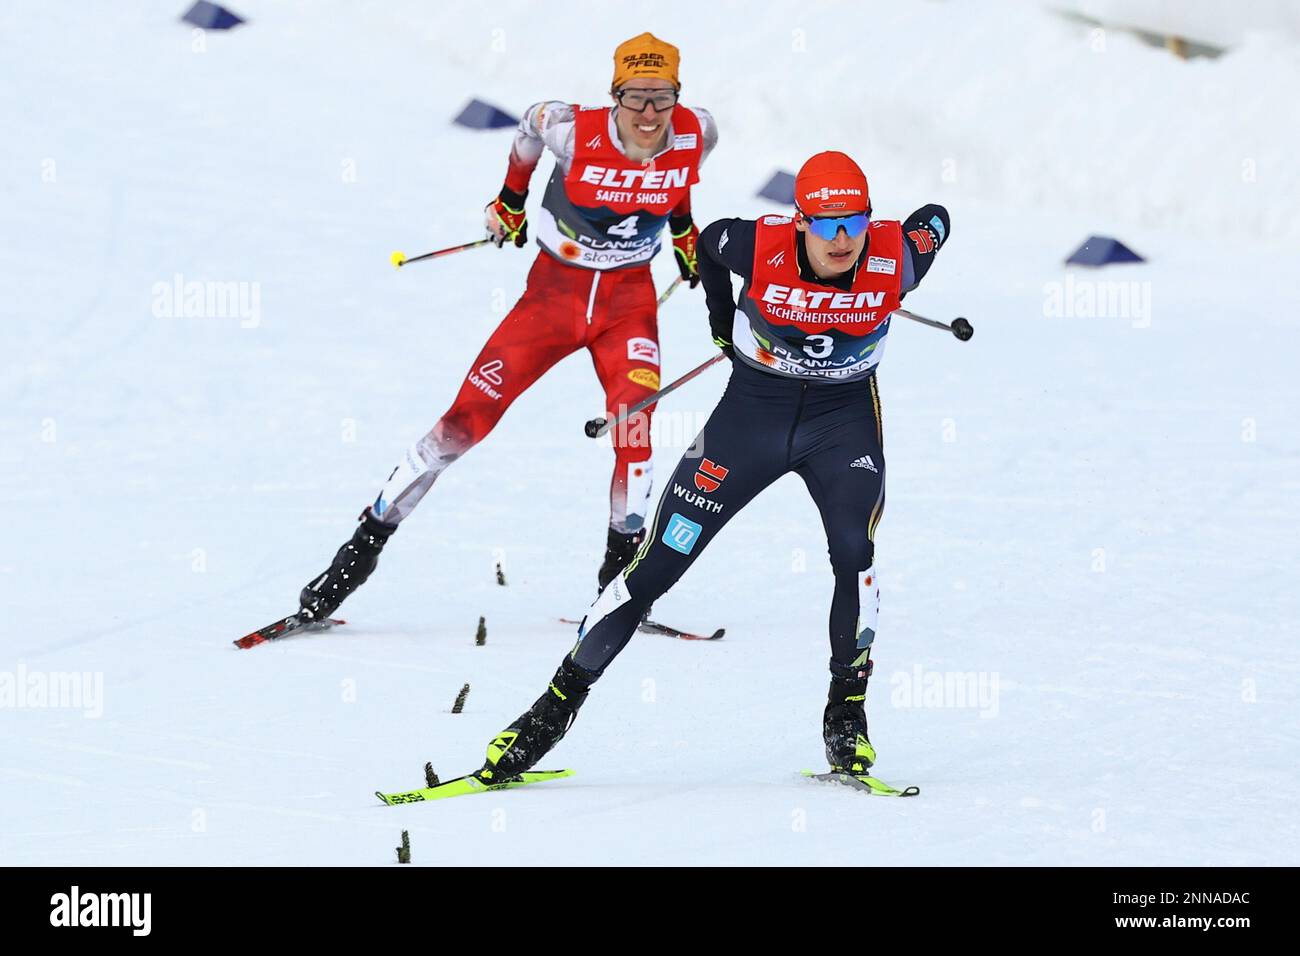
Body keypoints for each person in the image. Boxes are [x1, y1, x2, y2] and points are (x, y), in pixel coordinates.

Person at [470, 151, 952, 782]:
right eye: (826, 223)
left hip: (842, 424)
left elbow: (935, 219)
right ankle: (552, 709)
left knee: (852, 555)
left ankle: (846, 716)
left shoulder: (898, 257)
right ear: (799, 220)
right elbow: (710, 246)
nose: (841, 240)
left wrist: (911, 231)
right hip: (751, 416)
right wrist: (722, 320)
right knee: (657, 565)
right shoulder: (757, 244)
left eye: (854, 222)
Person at [296, 34, 718, 622]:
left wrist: (684, 237)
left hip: (629, 303)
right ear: (614, 93)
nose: (649, 114)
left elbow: (675, 182)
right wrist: (510, 200)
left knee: (635, 430)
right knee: (463, 424)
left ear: (678, 94)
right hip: (554, 297)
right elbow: (526, 129)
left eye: (662, 98)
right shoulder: (570, 128)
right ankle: (353, 560)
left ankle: (618, 588)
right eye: (635, 98)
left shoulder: (699, 131)